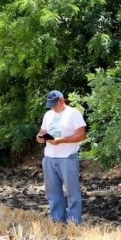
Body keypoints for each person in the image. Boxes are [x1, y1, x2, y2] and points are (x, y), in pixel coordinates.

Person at [36, 90, 87, 225]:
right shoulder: (48, 115)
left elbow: (81, 135)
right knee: (52, 193)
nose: (53, 107)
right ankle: (58, 221)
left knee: (72, 192)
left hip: (67, 157)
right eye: (50, 105)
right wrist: (40, 137)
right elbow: (42, 131)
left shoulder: (73, 113)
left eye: (55, 104)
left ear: (62, 100)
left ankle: (74, 223)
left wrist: (61, 140)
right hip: (49, 157)